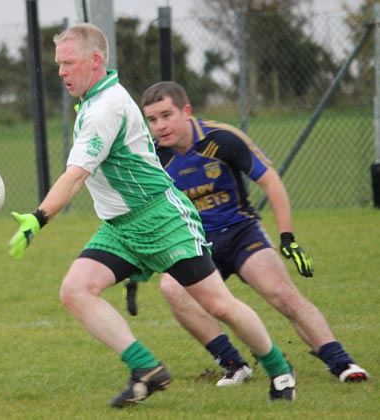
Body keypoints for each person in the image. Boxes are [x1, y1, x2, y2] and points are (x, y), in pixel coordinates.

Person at [8, 23, 297, 407]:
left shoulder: (105, 108)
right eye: (58, 63)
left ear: (95, 61)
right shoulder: (95, 101)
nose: (60, 71)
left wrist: (38, 217)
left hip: (161, 220)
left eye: (68, 63)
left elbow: (75, 176)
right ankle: (145, 368)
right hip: (121, 227)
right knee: (75, 290)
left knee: (218, 305)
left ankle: (279, 369)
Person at [136, 80, 370, 387]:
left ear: (187, 111)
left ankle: (341, 362)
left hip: (240, 233)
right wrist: (138, 264)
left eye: (166, 115)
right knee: (172, 288)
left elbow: (271, 182)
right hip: (195, 242)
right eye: (152, 120)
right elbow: (143, 211)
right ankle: (234, 364)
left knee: (282, 294)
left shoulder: (222, 138)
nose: (160, 126)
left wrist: (287, 238)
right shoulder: (151, 158)